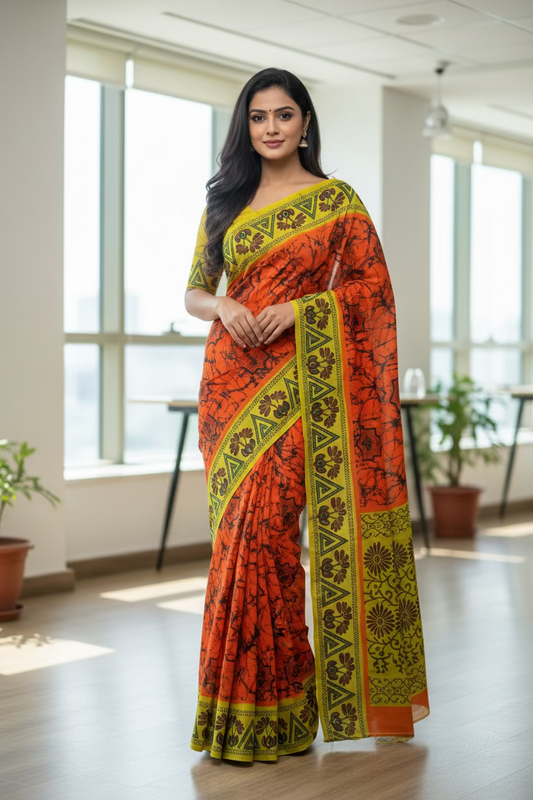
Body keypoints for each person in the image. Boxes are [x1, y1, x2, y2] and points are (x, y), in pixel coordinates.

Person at [184, 67, 429, 763]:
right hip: (229, 387)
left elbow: (372, 293)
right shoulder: (225, 201)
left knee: (267, 537)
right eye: (258, 116)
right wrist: (224, 304)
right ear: (245, 125)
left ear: (305, 123)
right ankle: (246, 713)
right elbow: (195, 292)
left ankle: (282, 705)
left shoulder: (336, 202)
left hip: (301, 386)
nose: (271, 128)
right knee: (235, 544)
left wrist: (301, 308)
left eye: (283, 115)